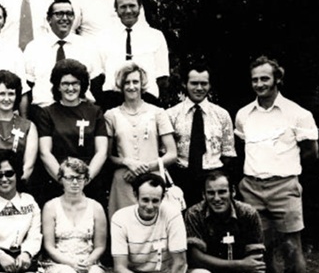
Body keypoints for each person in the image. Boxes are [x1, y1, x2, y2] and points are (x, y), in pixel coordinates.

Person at [235, 55, 319, 273]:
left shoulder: (298, 113)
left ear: (277, 80)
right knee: (261, 249)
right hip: (251, 188)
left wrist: (283, 171)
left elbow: (311, 152)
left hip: (285, 186)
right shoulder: (243, 114)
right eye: (255, 79)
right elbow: (242, 149)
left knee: (292, 248)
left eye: (265, 79)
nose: (259, 84)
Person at [184, 170, 266, 273]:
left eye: (222, 192)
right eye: (210, 193)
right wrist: (240, 264)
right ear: (203, 194)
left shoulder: (248, 214)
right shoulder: (194, 214)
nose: (216, 198)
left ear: (233, 192)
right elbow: (195, 257)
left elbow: (256, 262)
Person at [41, 157, 107, 273]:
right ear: (61, 179)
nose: (74, 182)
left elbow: (100, 245)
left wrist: (89, 261)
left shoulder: (96, 207)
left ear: (86, 179)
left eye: (79, 177)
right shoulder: (51, 207)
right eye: (69, 178)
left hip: (87, 259)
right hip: (59, 262)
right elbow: (49, 246)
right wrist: (70, 263)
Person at [105, 62, 177, 218]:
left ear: (142, 84)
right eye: (127, 82)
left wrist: (145, 168)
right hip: (124, 181)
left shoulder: (157, 113)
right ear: (121, 85)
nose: (131, 87)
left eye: (135, 82)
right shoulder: (111, 115)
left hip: (153, 181)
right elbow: (107, 156)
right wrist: (127, 162)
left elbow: (172, 154)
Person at [37, 59, 108, 204]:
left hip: (89, 182)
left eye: (75, 83)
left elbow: (101, 151)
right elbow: (45, 152)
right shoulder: (47, 113)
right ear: (58, 86)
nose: (70, 88)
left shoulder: (95, 112)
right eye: (65, 84)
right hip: (58, 183)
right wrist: (66, 180)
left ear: (82, 85)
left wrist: (84, 179)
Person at [167, 63, 236, 206]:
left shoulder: (222, 115)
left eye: (204, 83)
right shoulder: (171, 115)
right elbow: (165, 152)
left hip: (213, 179)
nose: (199, 88)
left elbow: (228, 153)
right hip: (182, 178)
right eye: (194, 83)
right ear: (184, 84)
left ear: (210, 85)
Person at [23, 0, 103, 112]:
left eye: (69, 14)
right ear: (49, 19)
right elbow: (27, 86)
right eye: (59, 14)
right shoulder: (34, 47)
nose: (65, 18)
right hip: (44, 111)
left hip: (79, 111)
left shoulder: (87, 46)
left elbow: (96, 83)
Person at [97, 0, 170, 110]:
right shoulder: (103, 37)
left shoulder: (155, 36)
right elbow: (98, 75)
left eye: (132, 6)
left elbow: (162, 77)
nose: (128, 11)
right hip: (112, 101)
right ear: (116, 9)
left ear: (140, 7)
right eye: (123, 7)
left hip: (148, 100)